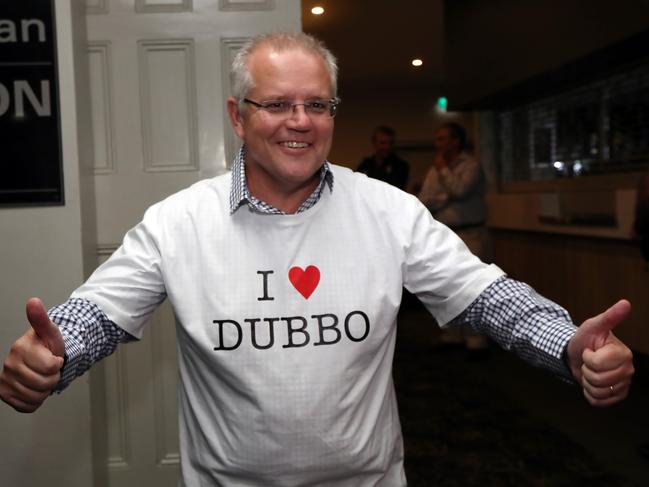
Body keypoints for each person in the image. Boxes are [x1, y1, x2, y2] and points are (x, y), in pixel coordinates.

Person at [0, 32, 635, 486]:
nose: (298, 122)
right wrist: (52, 358)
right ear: (237, 117)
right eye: (276, 104)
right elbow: (96, 315)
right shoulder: (179, 222)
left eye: (317, 104)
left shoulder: (388, 211)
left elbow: (490, 299)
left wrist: (568, 345)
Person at [418, 122, 491, 358]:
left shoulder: (470, 165)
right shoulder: (435, 168)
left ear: (456, 141)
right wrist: (443, 196)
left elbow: (461, 190)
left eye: (442, 138)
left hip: (471, 233)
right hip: (444, 234)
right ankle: (452, 337)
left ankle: (475, 340)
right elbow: (425, 199)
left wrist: (444, 175)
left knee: (472, 288)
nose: (437, 143)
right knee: (446, 287)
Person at [356, 125, 410, 190]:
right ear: (374, 143)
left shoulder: (401, 166)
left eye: (391, 143)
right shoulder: (365, 164)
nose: (387, 147)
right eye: (383, 143)